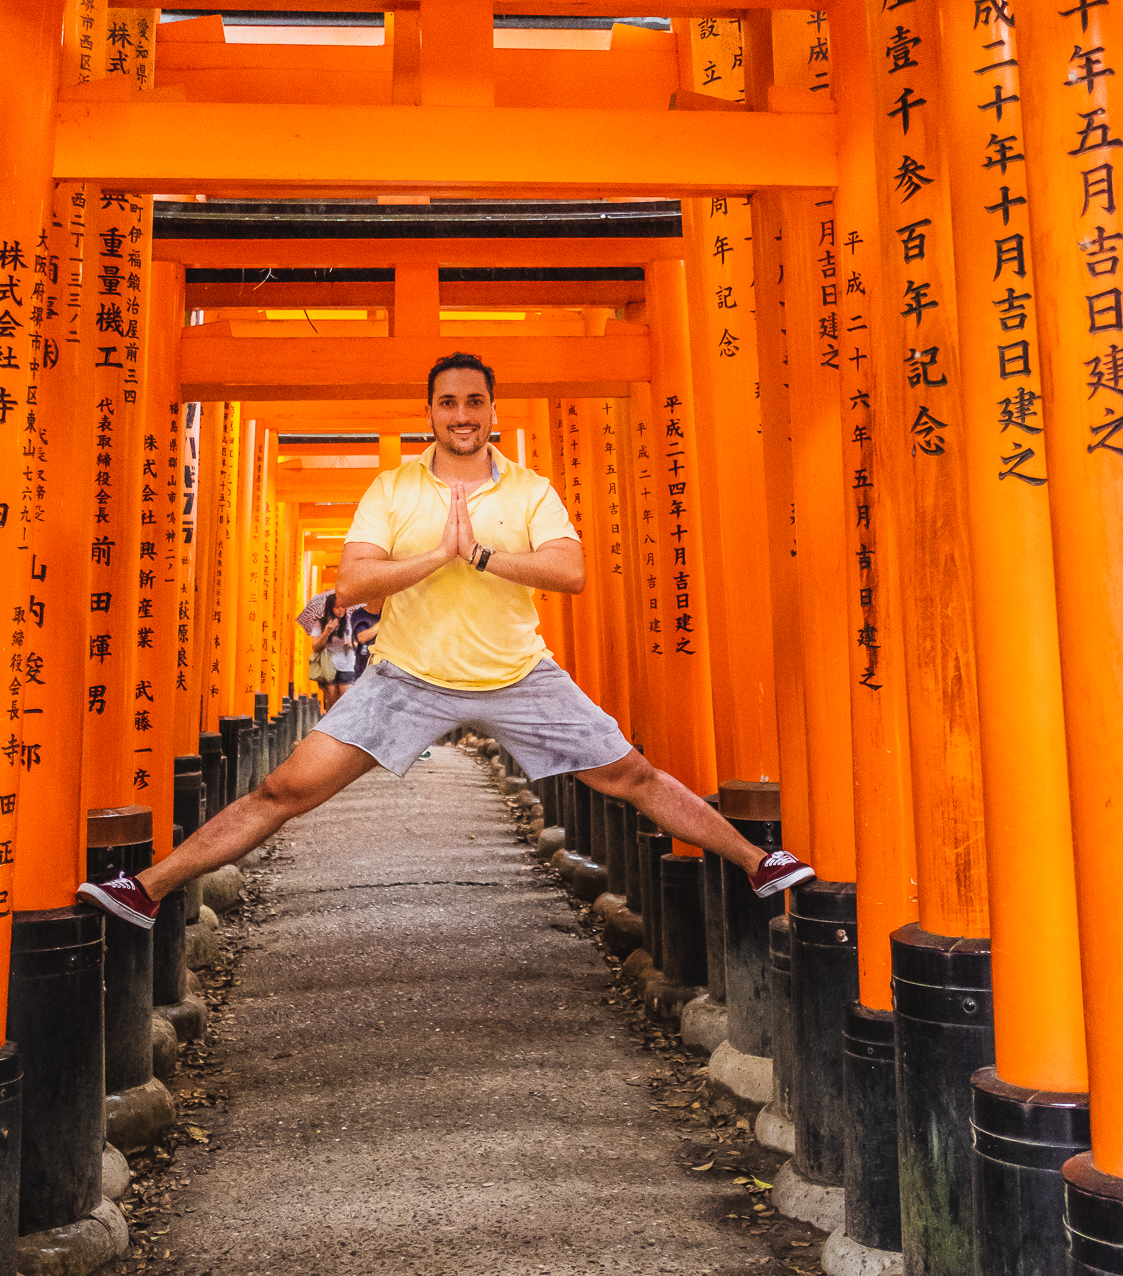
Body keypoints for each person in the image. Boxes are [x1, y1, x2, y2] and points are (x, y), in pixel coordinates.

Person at [78, 352, 815, 930]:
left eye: (474, 401)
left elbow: (571, 571)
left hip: (519, 673)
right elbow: (351, 583)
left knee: (633, 776)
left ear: (492, 410)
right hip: (408, 677)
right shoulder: (394, 488)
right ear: (429, 412)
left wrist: (486, 556)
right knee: (284, 788)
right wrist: (438, 555)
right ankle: (147, 889)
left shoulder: (529, 490)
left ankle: (756, 861)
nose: (461, 414)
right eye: (448, 402)